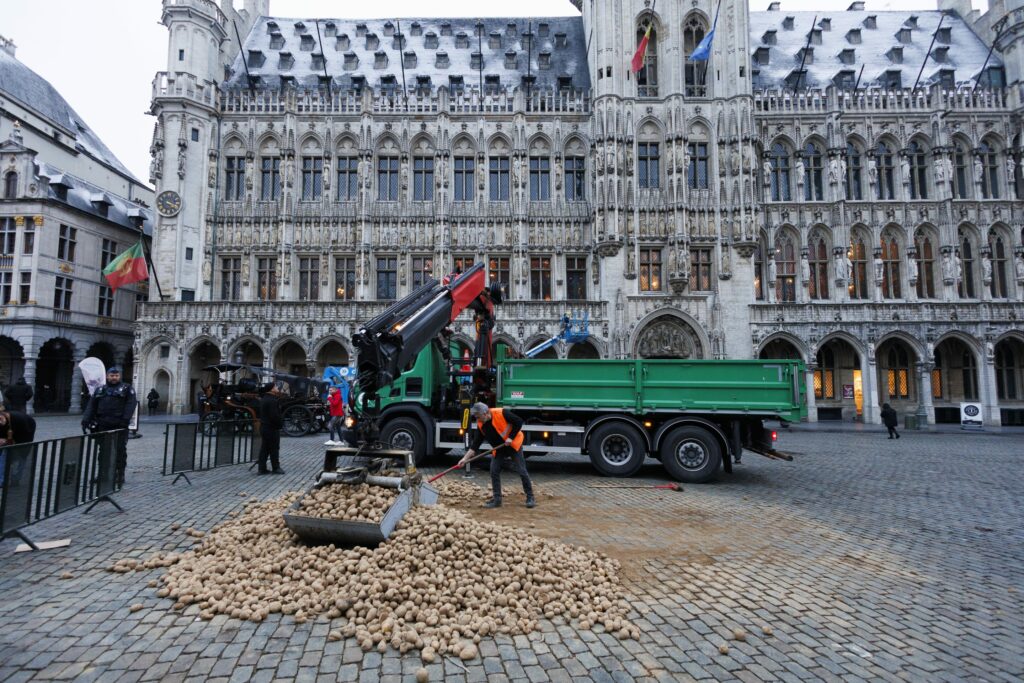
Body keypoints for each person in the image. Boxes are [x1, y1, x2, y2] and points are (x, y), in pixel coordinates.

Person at [458, 402, 535, 509]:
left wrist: (510, 437)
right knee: (494, 470)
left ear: (485, 413)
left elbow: (518, 421)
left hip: (513, 444)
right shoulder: (481, 425)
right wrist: (464, 459)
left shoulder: (501, 413)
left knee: (522, 470)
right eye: (476, 417)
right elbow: (475, 445)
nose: (477, 419)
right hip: (499, 448)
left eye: (478, 416)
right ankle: (497, 500)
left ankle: (530, 497)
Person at [82, 366, 137, 486]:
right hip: (103, 424)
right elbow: (92, 405)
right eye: (112, 376)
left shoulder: (127, 389)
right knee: (103, 451)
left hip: (119, 424)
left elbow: (131, 405)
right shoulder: (100, 389)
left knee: (120, 450)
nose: (114, 378)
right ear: (107, 376)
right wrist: (86, 420)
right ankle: (103, 474)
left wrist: (125, 420)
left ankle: (119, 474)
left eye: (116, 376)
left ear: (119, 376)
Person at [257, 381, 286, 475]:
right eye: (276, 387)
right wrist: (280, 424)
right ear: (272, 389)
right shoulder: (272, 400)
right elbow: (274, 416)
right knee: (274, 448)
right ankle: (276, 467)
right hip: (271, 428)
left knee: (265, 448)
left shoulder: (265, 398)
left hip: (265, 427)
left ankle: (261, 468)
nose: (277, 388)